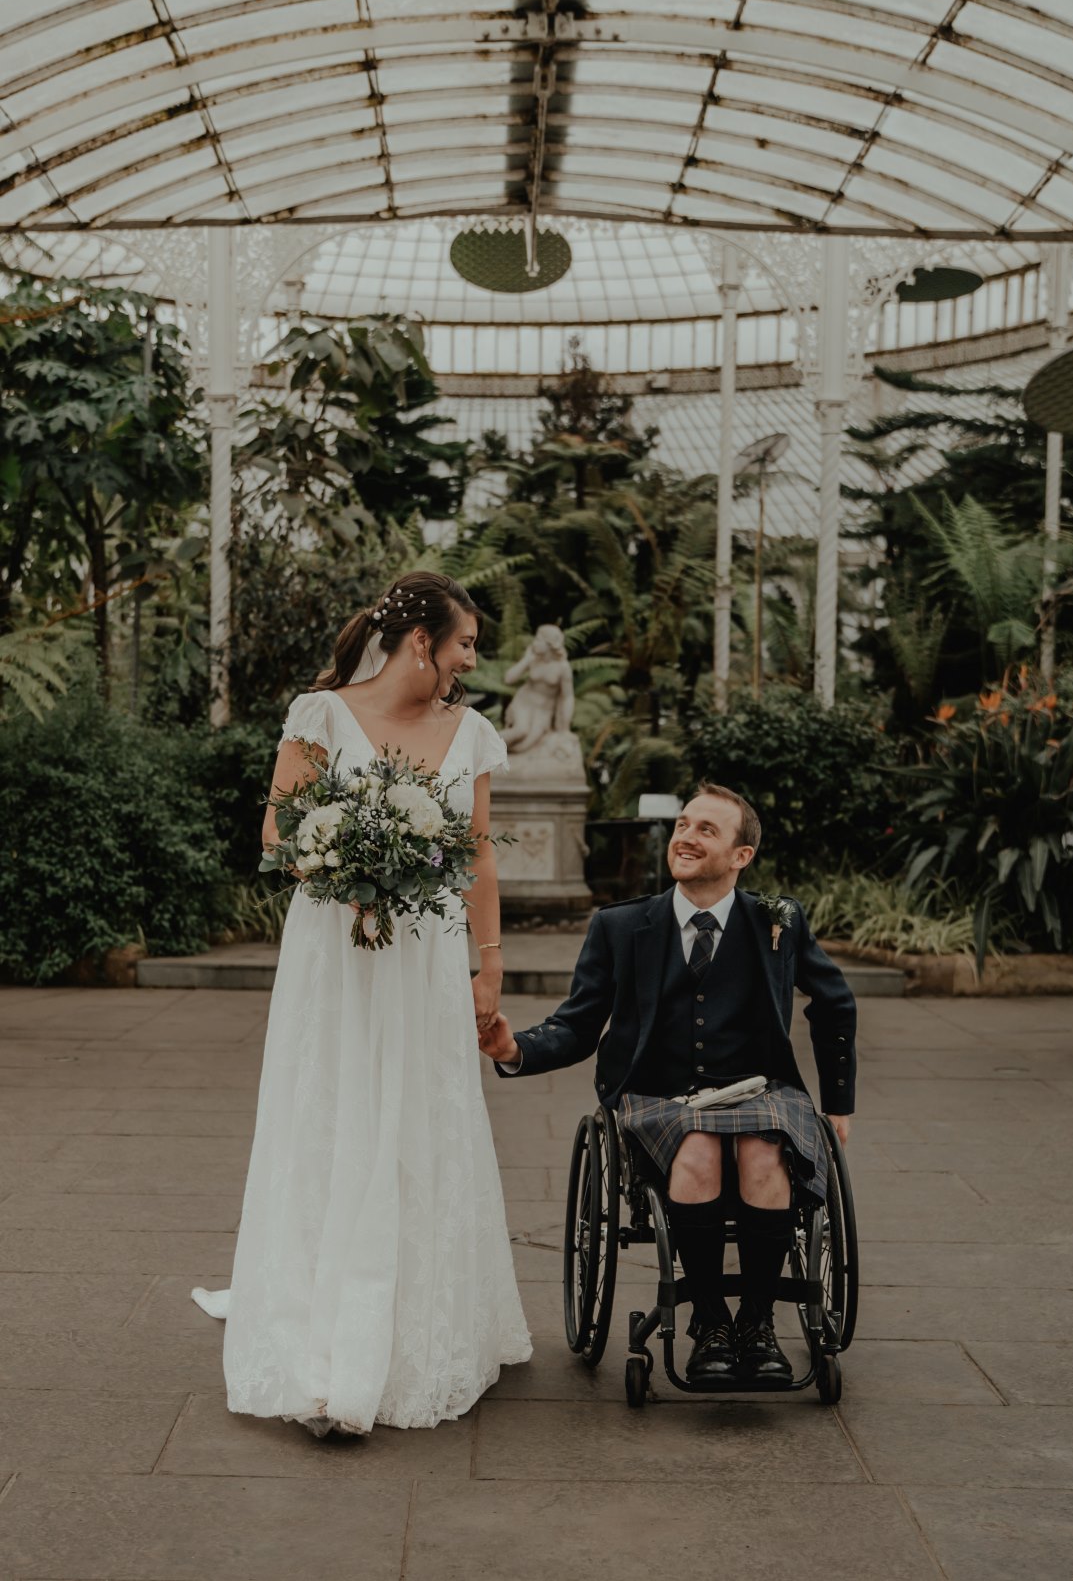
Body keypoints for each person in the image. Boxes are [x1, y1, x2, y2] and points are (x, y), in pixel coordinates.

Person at [192, 571, 531, 1434]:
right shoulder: (322, 716)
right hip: (335, 953)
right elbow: (277, 830)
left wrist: (488, 965)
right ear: (423, 642)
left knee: (419, 1119)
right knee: (332, 1114)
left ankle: (417, 1320)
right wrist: (345, 867)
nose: (469, 662)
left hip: (423, 958)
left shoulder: (472, 732)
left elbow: (480, 858)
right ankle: (322, 1335)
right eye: (463, 645)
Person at [479, 783, 855, 1386]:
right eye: (683, 824)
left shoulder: (777, 921)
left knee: (763, 1151)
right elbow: (578, 1025)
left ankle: (757, 1327)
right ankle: (709, 1323)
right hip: (657, 1095)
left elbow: (835, 1004)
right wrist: (514, 1048)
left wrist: (837, 1103)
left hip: (761, 1088)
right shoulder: (621, 926)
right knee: (698, 1147)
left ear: (741, 855)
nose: (686, 836)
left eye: (707, 829)